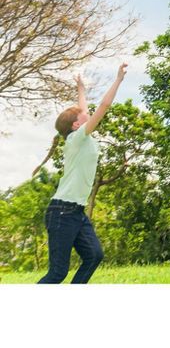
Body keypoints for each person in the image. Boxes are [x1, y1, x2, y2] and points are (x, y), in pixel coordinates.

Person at [37, 63, 128, 283]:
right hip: (62, 212)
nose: (87, 113)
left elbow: (83, 108)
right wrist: (118, 80)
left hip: (75, 212)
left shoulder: (79, 135)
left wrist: (81, 88)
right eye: (83, 115)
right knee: (57, 273)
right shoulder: (77, 138)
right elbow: (104, 106)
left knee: (94, 255)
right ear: (77, 125)